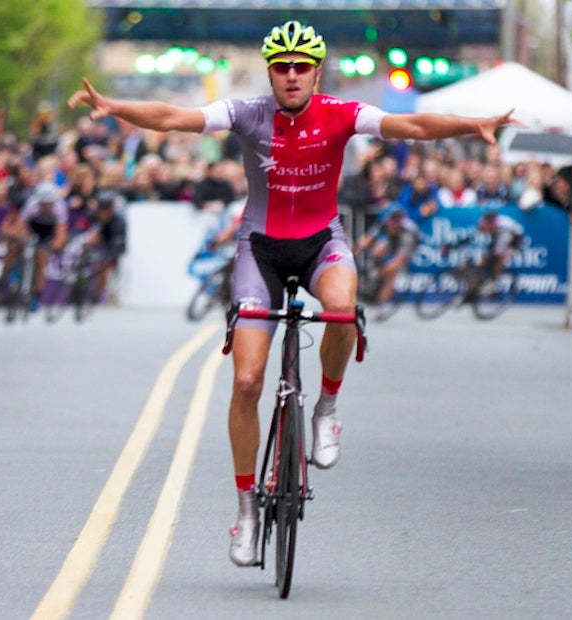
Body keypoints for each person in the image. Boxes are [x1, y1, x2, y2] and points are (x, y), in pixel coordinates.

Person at [69, 19, 519, 568]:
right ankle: (246, 511)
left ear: (317, 71)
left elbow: (414, 126)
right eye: (280, 66)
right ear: (269, 72)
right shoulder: (246, 114)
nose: (290, 76)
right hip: (259, 248)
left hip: (320, 242)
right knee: (248, 381)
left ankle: (326, 404)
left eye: (300, 66)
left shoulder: (343, 113)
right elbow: (173, 118)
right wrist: (118, 108)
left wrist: (472, 127)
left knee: (341, 310)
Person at [0, 181, 68, 311]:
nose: (46, 206)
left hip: (48, 232)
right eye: (43, 203)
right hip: (33, 227)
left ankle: (36, 296)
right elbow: (19, 225)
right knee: (14, 247)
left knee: (42, 259)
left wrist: (54, 246)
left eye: (49, 203)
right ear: (39, 201)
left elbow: (60, 234)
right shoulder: (32, 205)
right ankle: (4, 279)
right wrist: (18, 237)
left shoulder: (60, 208)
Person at [353, 205, 421, 319]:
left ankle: (379, 307)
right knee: (379, 248)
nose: (391, 228)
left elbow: (399, 260)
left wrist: (382, 272)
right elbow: (367, 239)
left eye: (393, 227)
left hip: (409, 250)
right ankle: (368, 278)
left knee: (391, 273)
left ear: (399, 225)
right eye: (390, 225)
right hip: (392, 242)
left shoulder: (407, 234)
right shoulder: (384, 222)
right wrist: (352, 253)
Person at [79, 189, 127, 303]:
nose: (104, 214)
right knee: (90, 239)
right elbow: (80, 228)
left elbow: (119, 246)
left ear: (111, 209)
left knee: (104, 269)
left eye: (107, 210)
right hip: (98, 238)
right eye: (101, 210)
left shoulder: (119, 222)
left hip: (112, 243)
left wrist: (107, 261)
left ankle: (96, 294)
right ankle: (79, 272)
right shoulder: (92, 214)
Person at [476, 209, 524, 280]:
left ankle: (493, 281)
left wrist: (495, 255)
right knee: (485, 258)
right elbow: (479, 230)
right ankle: (482, 280)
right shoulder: (483, 221)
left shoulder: (504, 225)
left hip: (514, 240)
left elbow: (501, 245)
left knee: (499, 259)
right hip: (497, 237)